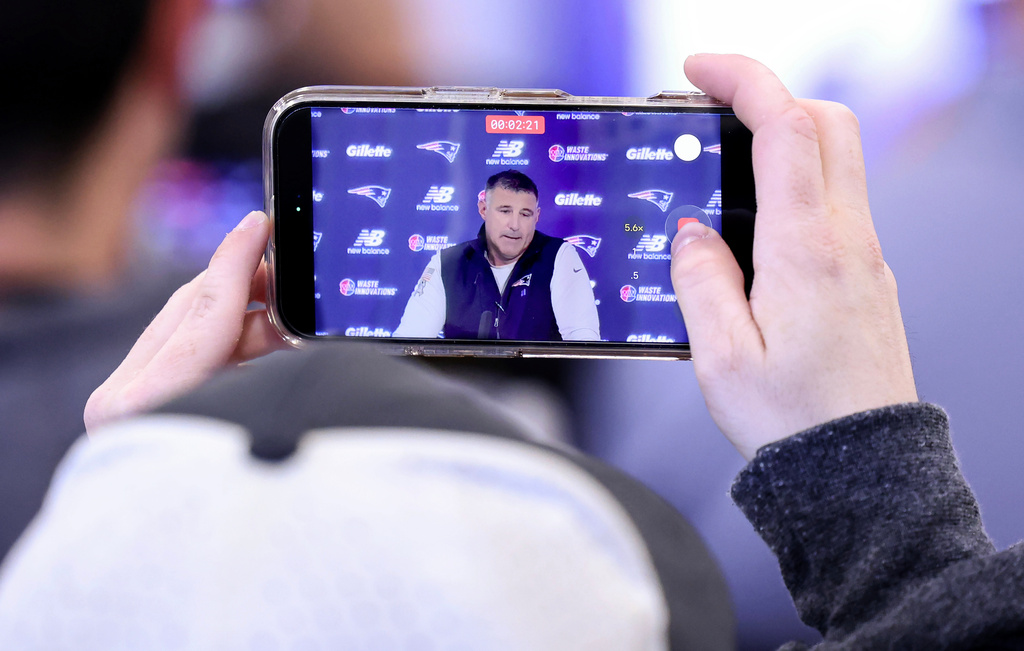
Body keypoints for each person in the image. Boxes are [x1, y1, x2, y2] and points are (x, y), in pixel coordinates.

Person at [5, 53, 1024, 649]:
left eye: (516, 205)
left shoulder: (569, 272)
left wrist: (125, 536)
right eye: (492, 202)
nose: (502, 218)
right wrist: (880, 530)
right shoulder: (444, 270)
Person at [394, 170, 600, 341]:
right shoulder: (448, 263)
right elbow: (410, 340)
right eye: (505, 211)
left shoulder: (559, 256)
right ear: (484, 210)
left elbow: (583, 342)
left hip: (537, 387)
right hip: (465, 386)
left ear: (537, 217)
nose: (515, 225)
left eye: (525, 214)